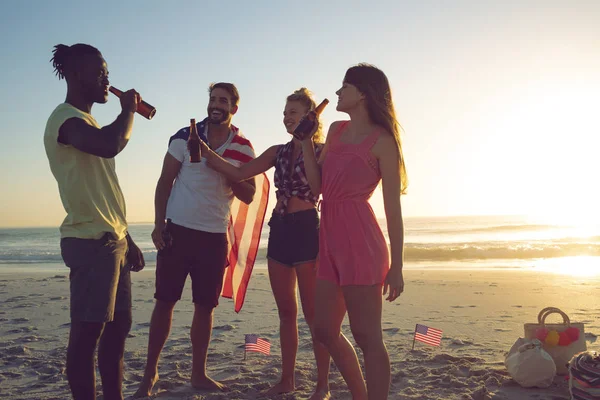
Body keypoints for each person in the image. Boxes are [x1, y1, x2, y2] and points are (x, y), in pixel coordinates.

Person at [201, 87, 331, 399]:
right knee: (286, 312)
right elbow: (240, 172)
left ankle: (322, 385)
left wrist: (307, 144)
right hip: (281, 231)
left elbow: (320, 187)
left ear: (309, 118)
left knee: (314, 315)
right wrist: (205, 153)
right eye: (285, 113)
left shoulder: (323, 150)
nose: (287, 118)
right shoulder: (277, 151)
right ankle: (288, 380)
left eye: (294, 113)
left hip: (307, 231)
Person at [134, 83, 258, 397]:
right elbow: (164, 182)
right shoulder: (184, 136)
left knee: (205, 306)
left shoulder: (243, 147)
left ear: (234, 108)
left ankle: (199, 374)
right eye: (212, 99)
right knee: (164, 302)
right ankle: (150, 374)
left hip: (214, 237)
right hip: (178, 232)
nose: (216, 105)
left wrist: (216, 161)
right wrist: (158, 223)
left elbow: (248, 194)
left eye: (223, 101)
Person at [43, 43, 146, 400]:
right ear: (75, 75)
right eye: (100, 73)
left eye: (107, 73)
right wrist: (129, 110)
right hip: (89, 243)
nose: (107, 80)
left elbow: (104, 193)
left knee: (118, 331)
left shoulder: (88, 122)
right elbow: (110, 144)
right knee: (87, 335)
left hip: (111, 240)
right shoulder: (64, 120)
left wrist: (127, 238)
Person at [312, 64, 408, 400]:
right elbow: (316, 187)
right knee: (323, 328)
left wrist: (397, 266)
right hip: (329, 239)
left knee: (367, 337)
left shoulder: (383, 142)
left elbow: (393, 212)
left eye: (344, 87)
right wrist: (302, 141)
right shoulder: (336, 131)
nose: (338, 93)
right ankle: (360, 393)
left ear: (363, 93)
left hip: (361, 242)